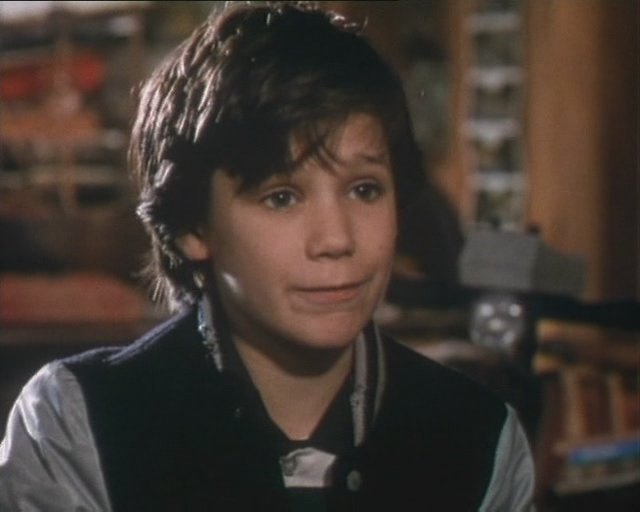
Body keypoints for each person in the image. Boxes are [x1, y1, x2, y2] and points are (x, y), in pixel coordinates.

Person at [0, 3, 535, 511]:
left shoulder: (479, 440)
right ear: (193, 226)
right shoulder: (83, 426)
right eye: (282, 197)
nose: (336, 239)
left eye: (365, 190)